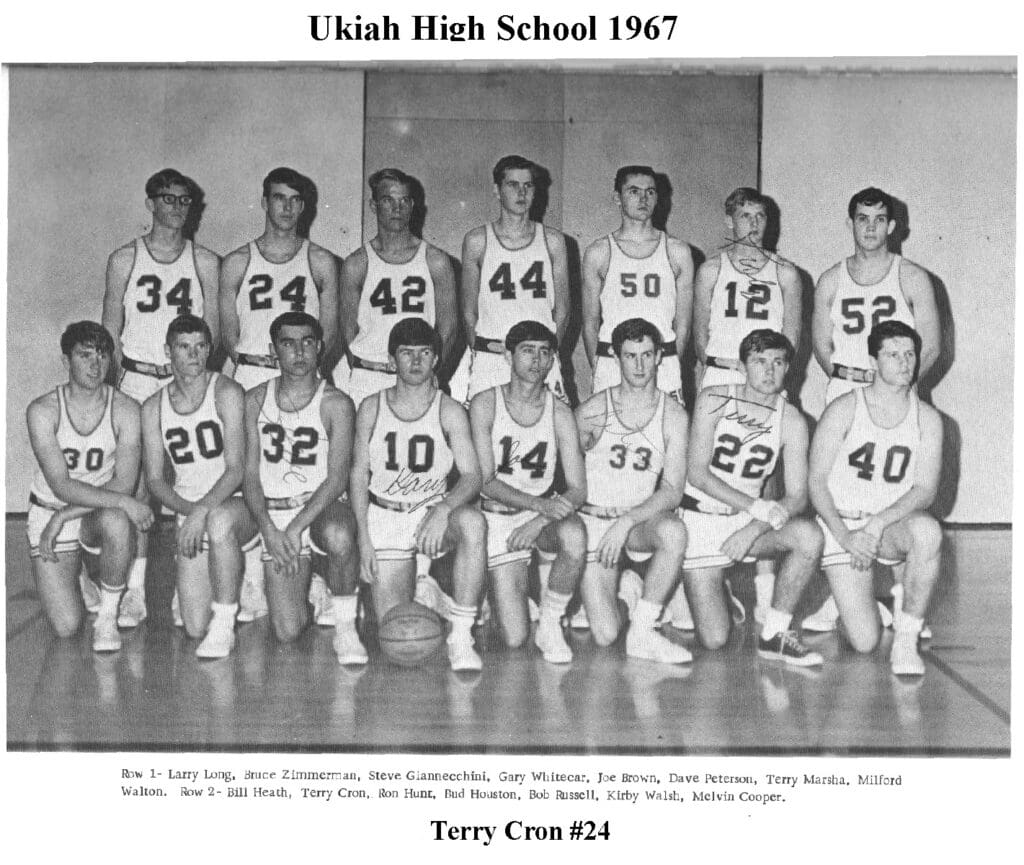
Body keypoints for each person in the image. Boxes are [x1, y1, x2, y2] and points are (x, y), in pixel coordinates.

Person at [807, 187, 940, 630]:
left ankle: (905, 598)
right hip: (846, 389)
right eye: (862, 218)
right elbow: (821, 345)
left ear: (893, 226)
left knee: (895, 489)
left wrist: (894, 388)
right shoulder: (831, 279)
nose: (870, 227)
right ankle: (841, 594)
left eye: (879, 219)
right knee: (838, 490)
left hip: (896, 391)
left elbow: (932, 345)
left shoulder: (911, 276)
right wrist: (853, 380)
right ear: (850, 224)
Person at [102, 168, 220, 627]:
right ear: (151, 203)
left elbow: (215, 333)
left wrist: (197, 382)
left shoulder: (205, 260)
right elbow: (110, 327)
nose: (176, 208)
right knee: (136, 489)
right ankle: (133, 589)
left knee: (192, 480)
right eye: (168, 199)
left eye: (184, 200)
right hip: (136, 378)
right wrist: (113, 389)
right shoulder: (124, 258)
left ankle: (191, 584)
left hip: (186, 383)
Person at [674, 329, 823, 666]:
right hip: (701, 518)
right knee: (714, 641)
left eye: (777, 362)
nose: (769, 371)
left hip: (747, 523)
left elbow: (798, 496)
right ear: (742, 367)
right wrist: (757, 508)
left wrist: (753, 528)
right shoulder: (714, 398)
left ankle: (775, 634)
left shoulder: (793, 420)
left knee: (809, 537)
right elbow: (697, 473)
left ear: (788, 368)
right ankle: (682, 586)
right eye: (759, 361)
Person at [692, 187, 804, 620]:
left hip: (768, 374)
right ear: (729, 222)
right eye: (745, 217)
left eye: (761, 217)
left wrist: (770, 377)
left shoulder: (786, 273)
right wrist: (723, 372)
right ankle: (711, 570)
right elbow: (700, 336)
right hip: (724, 372)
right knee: (714, 468)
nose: (753, 225)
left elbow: (791, 337)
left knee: (768, 475)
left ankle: (765, 586)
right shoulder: (711, 269)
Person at [350, 318, 486, 671]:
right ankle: (425, 584)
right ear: (392, 360)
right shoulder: (371, 406)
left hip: (431, 516)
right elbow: (357, 474)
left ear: (436, 360)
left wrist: (443, 510)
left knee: (472, 523)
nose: (415, 361)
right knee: (397, 633)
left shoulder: (450, 409)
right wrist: (364, 539)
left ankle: (461, 634)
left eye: (424, 353)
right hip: (386, 515)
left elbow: (472, 476)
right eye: (406, 353)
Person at [809, 321, 942, 676]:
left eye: (910, 354)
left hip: (886, 525)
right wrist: (846, 536)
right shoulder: (844, 407)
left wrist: (878, 523)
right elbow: (816, 482)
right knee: (865, 642)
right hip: (844, 525)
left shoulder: (927, 418)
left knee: (928, 532)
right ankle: (852, 604)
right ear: (872, 362)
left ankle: (906, 638)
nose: (904, 362)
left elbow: (925, 490)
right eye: (893, 355)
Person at [242, 312, 363, 662]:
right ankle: (313, 581)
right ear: (272, 350)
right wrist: (268, 529)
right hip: (275, 513)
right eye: (288, 343)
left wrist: (296, 528)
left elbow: (337, 478)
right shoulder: (253, 400)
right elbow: (249, 475)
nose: (299, 352)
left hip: (319, 509)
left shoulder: (337, 403)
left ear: (320, 348)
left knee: (340, 535)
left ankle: (346, 628)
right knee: (287, 631)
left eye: (307, 342)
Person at [26, 322, 153, 652]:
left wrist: (65, 517)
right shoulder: (42, 410)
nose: (96, 365)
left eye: (103, 355)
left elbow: (124, 483)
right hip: (50, 507)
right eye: (85, 355)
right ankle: (79, 573)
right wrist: (56, 518)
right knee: (66, 627)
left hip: (94, 513)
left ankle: (107, 618)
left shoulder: (126, 409)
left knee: (116, 518)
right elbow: (61, 484)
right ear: (66, 361)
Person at [469, 321, 586, 663]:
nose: (536, 360)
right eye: (527, 350)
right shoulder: (485, 403)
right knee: (515, 638)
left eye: (544, 352)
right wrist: (540, 506)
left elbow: (578, 488)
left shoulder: (560, 412)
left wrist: (537, 520)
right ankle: (495, 591)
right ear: (507, 356)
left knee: (575, 536)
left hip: (538, 517)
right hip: (497, 515)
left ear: (553, 361)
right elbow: (485, 481)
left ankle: (551, 623)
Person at [574, 317, 691, 664]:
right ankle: (628, 593)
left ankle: (643, 631)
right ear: (616, 357)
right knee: (606, 634)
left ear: (659, 358)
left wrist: (626, 522)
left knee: (673, 531)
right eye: (630, 356)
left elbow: (671, 490)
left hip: (637, 523)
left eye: (646, 355)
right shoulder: (593, 411)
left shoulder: (673, 414)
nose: (639, 365)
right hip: (596, 521)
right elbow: (564, 474)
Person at [141, 315, 257, 658]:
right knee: (192, 626)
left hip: (235, 507)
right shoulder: (153, 407)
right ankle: (231, 574)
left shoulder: (226, 391)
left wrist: (200, 514)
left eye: (201, 346)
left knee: (219, 523)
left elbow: (235, 470)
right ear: (168, 351)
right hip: (190, 513)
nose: (194, 355)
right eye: (184, 347)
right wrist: (191, 514)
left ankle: (225, 622)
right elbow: (155, 480)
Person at [451, 155, 570, 404]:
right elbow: (468, 312)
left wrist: (547, 352)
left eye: (528, 185)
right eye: (512, 185)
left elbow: (563, 310)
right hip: (492, 355)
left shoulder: (553, 241)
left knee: (547, 436)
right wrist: (485, 351)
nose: (521, 192)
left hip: (538, 358)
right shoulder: (477, 241)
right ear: (497, 190)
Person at [334, 168, 457, 407]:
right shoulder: (357, 263)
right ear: (373, 205)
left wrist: (429, 371)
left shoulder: (435, 260)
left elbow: (449, 327)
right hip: (369, 379)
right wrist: (364, 367)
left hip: (418, 378)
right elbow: (348, 328)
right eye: (388, 200)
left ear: (412, 205)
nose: (397, 208)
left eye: (403, 201)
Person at [219, 167, 339, 389]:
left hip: (304, 376)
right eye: (279, 198)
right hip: (252, 373)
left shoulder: (321, 261)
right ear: (265, 202)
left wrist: (299, 369)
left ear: (302, 206)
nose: (287, 207)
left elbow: (328, 334)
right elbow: (229, 336)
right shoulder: (237, 262)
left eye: (295, 200)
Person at [581, 165, 694, 402]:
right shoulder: (599, 252)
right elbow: (590, 322)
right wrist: (602, 362)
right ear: (617, 198)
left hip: (662, 364)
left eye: (650, 192)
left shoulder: (677, 252)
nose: (643, 199)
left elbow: (683, 324)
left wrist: (668, 359)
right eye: (634, 191)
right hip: (613, 363)